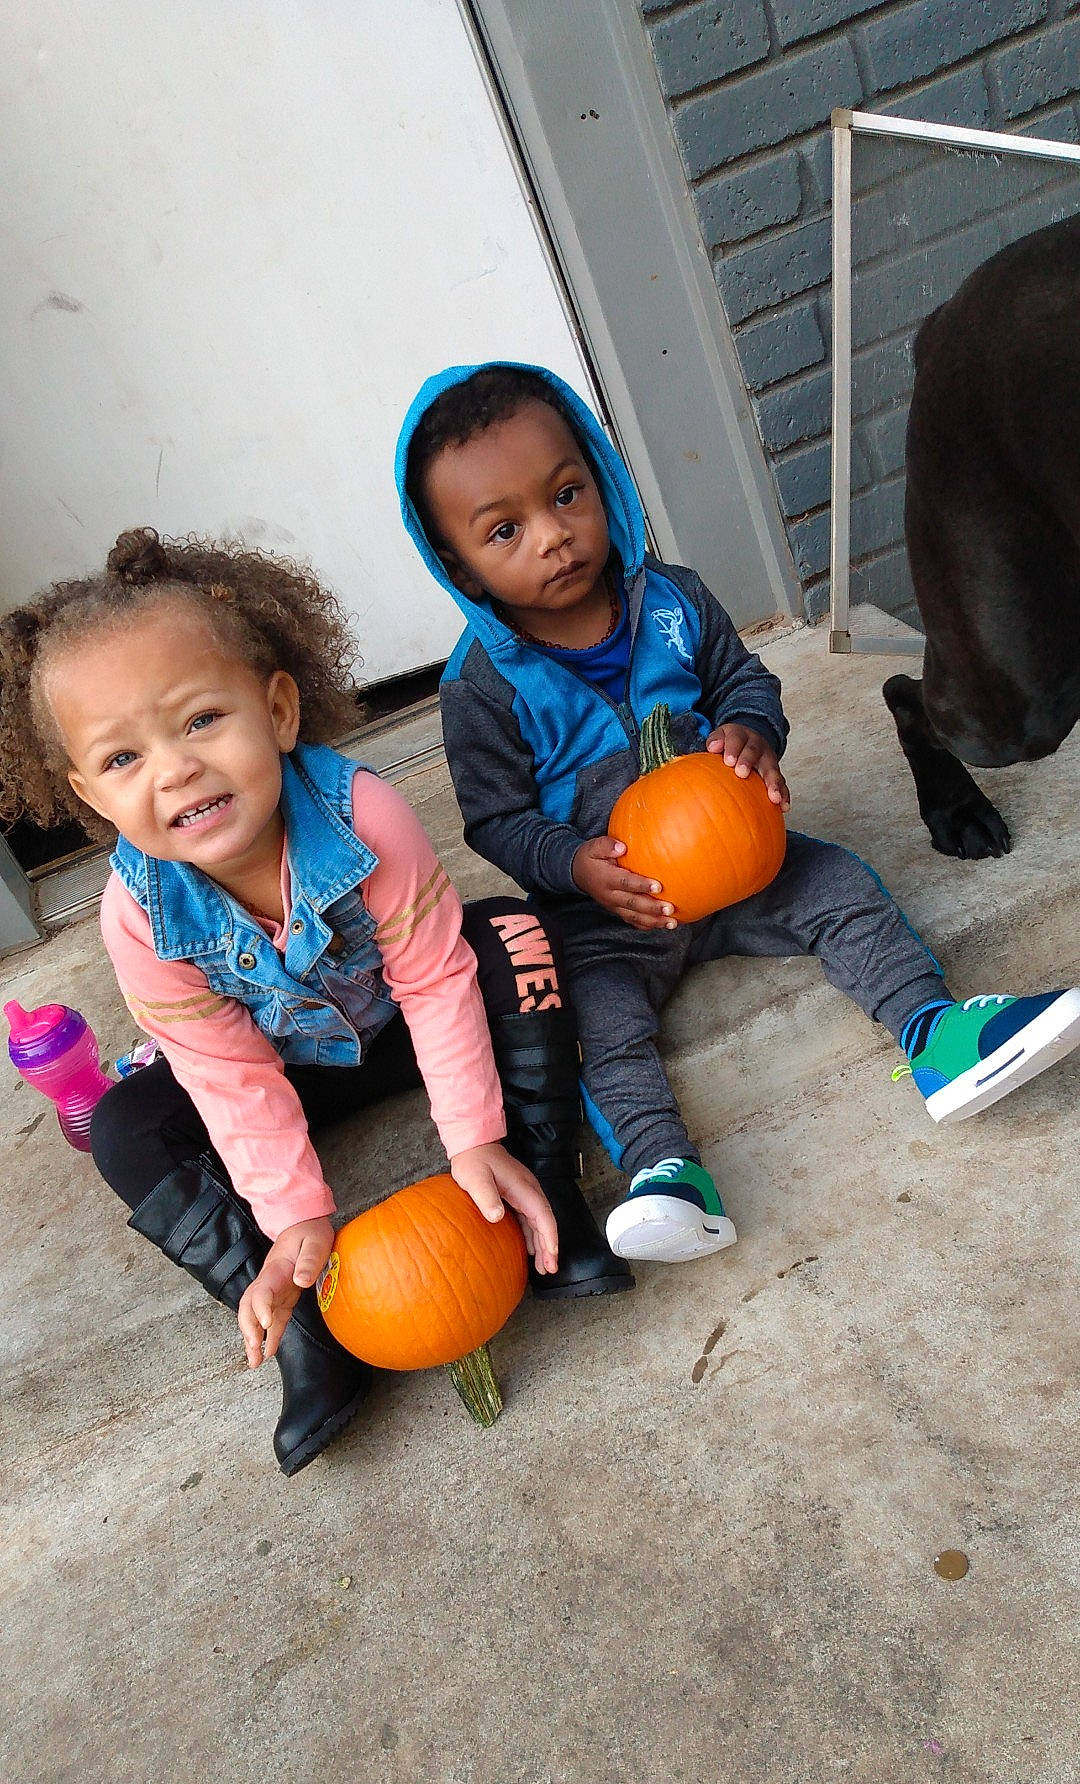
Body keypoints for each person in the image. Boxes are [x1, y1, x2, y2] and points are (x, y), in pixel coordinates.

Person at [395, 360, 1080, 1264]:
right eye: (506, 529)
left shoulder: (672, 600)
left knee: (841, 885)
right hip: (613, 908)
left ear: (600, 476)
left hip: (747, 861)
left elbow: (742, 680)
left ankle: (935, 1034)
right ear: (457, 563)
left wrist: (753, 730)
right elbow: (495, 818)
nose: (554, 537)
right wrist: (570, 863)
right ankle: (664, 1170)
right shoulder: (481, 687)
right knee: (595, 1019)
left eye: (568, 494)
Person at [0, 527, 632, 1476]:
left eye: (201, 720)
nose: (173, 769)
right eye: (124, 760)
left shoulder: (362, 814)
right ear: (92, 798)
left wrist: (471, 1135)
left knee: (510, 934)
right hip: (292, 1078)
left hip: (403, 1030)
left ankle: (542, 1193)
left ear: (279, 709)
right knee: (128, 1125)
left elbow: (431, 974)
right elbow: (227, 1072)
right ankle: (308, 1332)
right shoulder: (138, 919)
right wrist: (296, 1214)